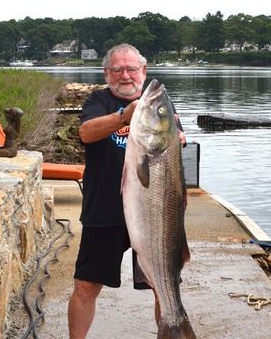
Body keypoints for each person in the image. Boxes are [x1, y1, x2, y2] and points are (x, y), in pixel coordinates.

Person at [68, 43, 186, 339]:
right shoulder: (98, 100)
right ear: (106, 73)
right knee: (85, 286)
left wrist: (178, 137)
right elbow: (85, 133)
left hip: (155, 216)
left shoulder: (159, 106)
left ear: (143, 71)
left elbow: (175, 140)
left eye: (132, 69)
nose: (125, 75)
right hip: (103, 211)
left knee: (164, 286)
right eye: (117, 69)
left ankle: (173, 325)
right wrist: (123, 116)